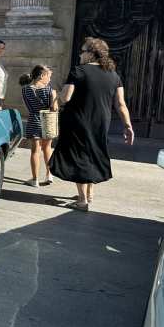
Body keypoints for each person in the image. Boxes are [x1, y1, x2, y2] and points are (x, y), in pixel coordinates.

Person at [50, 37, 134, 211]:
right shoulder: (114, 75)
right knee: (93, 154)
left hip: (78, 120)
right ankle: (89, 194)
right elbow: (120, 104)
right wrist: (128, 125)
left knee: (79, 156)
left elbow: (66, 97)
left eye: (83, 51)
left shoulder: (78, 71)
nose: (80, 54)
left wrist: (56, 95)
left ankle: (82, 201)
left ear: (91, 54)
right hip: (101, 121)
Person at [20, 65, 58, 187]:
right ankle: (49, 175)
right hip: (47, 121)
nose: (50, 80)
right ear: (42, 75)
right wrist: (55, 97)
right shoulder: (50, 90)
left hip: (33, 120)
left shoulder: (25, 89)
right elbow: (54, 108)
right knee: (48, 148)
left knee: (35, 151)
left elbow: (28, 106)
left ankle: (35, 179)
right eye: (49, 76)